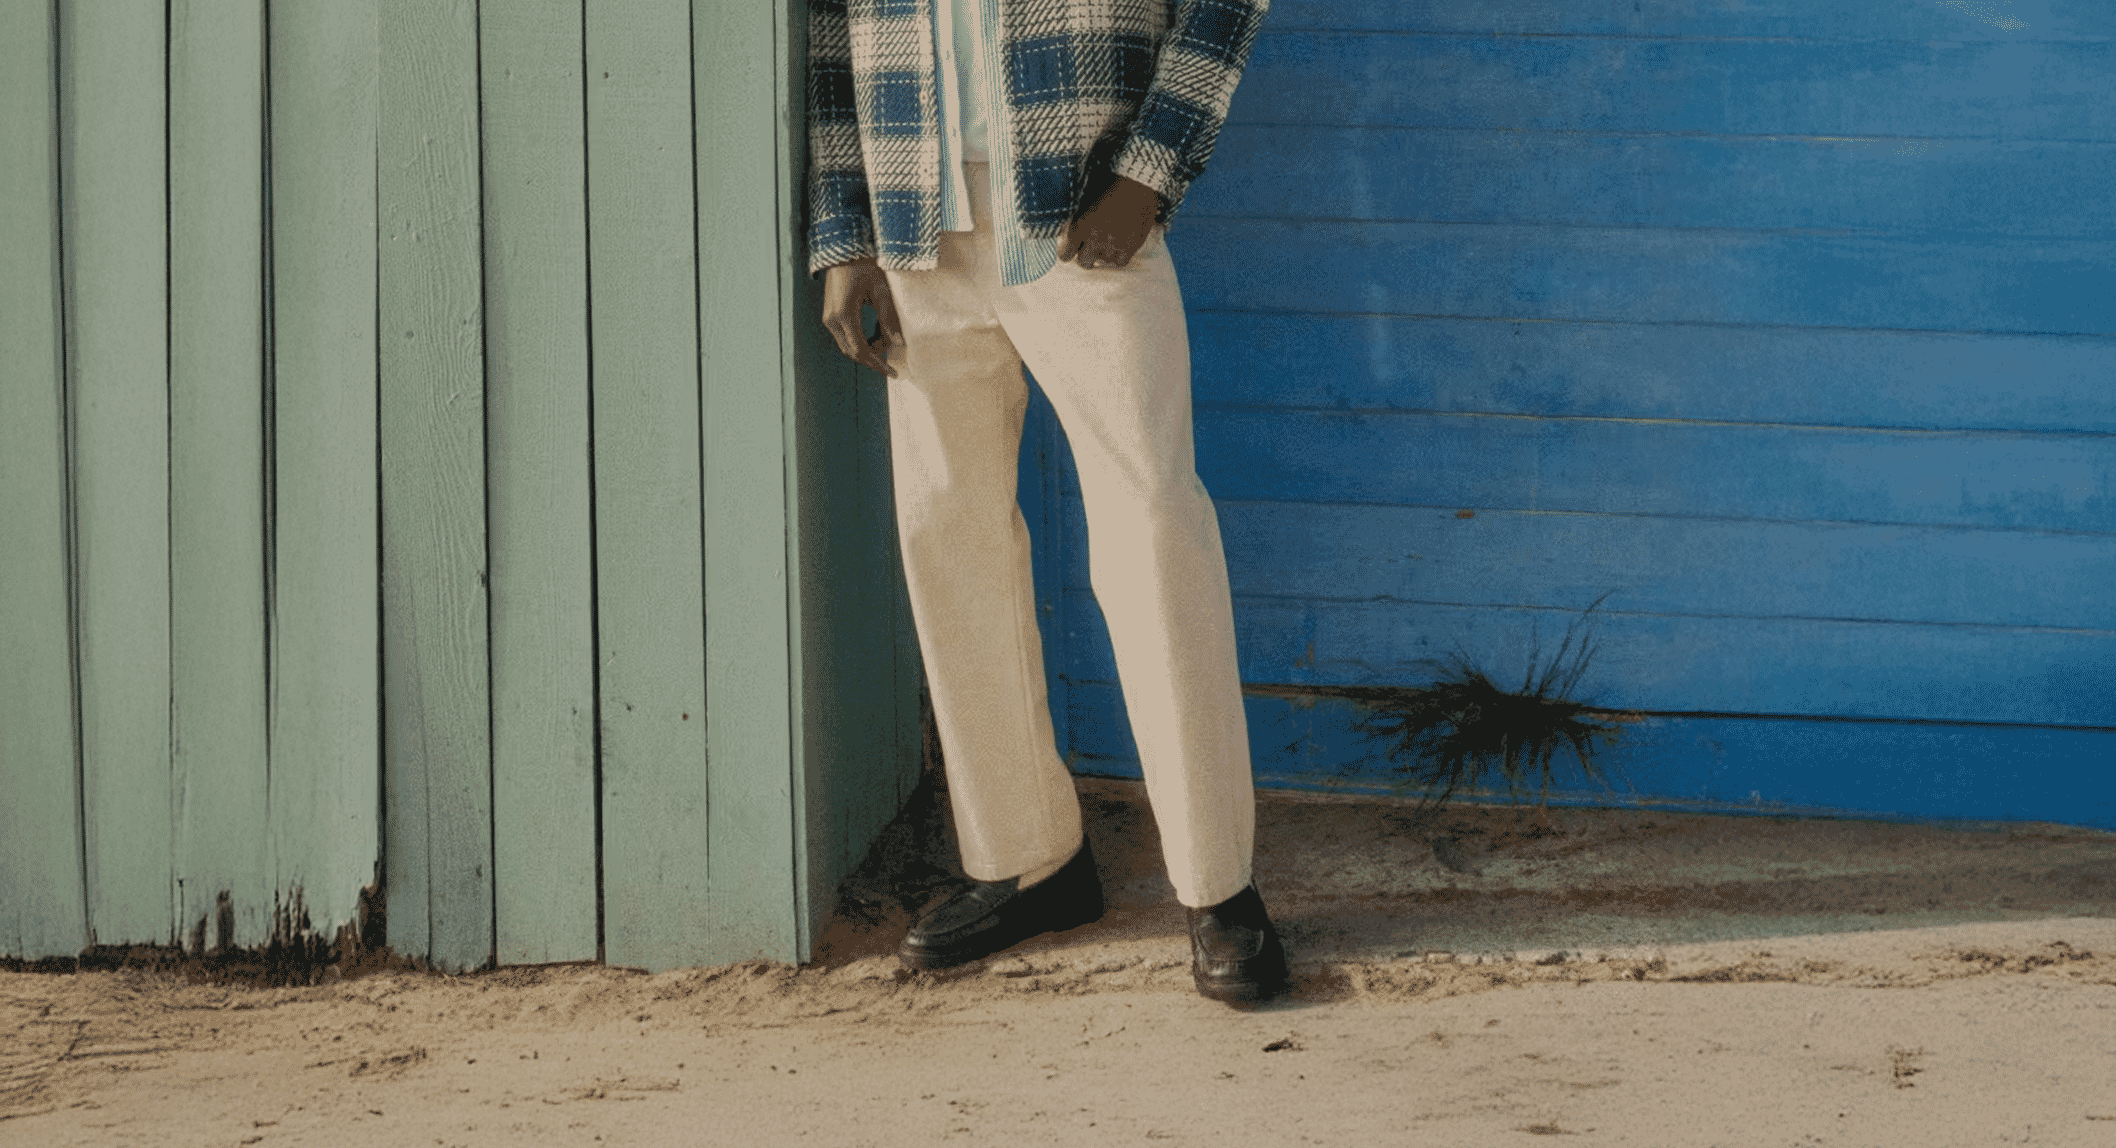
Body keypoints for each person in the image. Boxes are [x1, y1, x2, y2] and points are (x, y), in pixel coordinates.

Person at [805, 0, 1285, 1006]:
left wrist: (1147, 175)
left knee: (1152, 529)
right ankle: (1028, 860)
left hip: (1084, 208)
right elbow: (834, 28)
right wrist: (844, 233)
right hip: (917, 216)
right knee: (949, 535)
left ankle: (1218, 885)